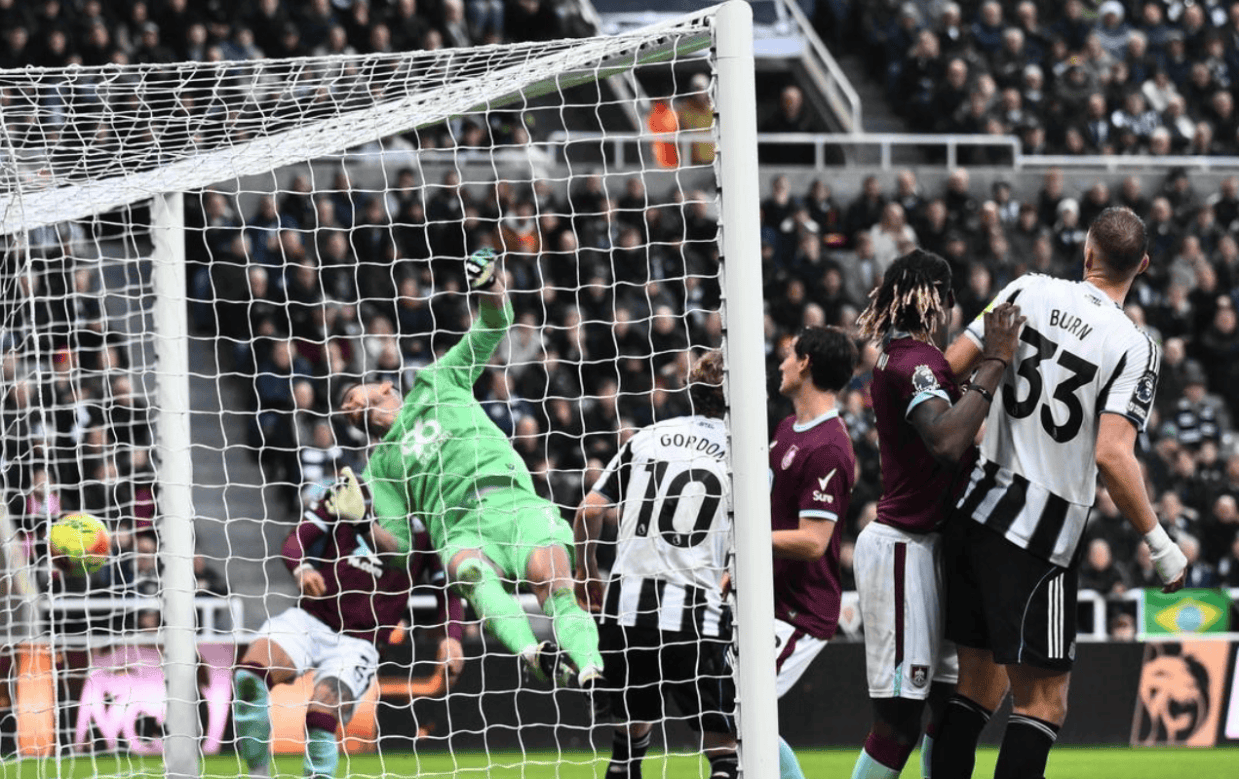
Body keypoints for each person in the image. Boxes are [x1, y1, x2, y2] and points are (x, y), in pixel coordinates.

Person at [934, 207, 1188, 779]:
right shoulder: (1134, 346)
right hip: (1038, 538)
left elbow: (950, 367)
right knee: (1043, 705)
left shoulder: (1028, 288)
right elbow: (1112, 455)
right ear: (1143, 266)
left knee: (975, 691)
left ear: (1087, 251)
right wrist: (1160, 544)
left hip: (974, 511)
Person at [338, 248, 605, 697]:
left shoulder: (436, 380)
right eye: (344, 408)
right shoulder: (379, 467)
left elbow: (493, 325)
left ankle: (589, 666)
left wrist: (490, 285)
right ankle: (532, 654)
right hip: (459, 527)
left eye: (350, 394)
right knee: (470, 574)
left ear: (383, 385)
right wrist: (362, 521)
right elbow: (401, 550)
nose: (346, 405)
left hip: (512, 501)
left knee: (556, 584)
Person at [849, 250, 1023, 779]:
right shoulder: (915, 363)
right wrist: (995, 361)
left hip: (934, 546)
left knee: (950, 708)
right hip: (904, 548)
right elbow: (947, 441)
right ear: (942, 300)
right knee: (897, 723)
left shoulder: (909, 358)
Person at [231, 469, 464, 779]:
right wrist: (301, 568)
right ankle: (257, 773)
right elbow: (297, 539)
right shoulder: (350, 491)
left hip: (359, 643)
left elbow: (446, 590)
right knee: (248, 678)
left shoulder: (432, 521)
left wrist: (452, 636)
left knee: (321, 716)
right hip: (310, 619)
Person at [573, 350, 737, 779]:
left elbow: (590, 510)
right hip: (697, 609)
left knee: (627, 746)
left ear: (691, 391)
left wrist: (586, 571)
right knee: (723, 746)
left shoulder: (647, 437)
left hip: (627, 607)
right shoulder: (743, 451)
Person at [767, 325, 859, 779]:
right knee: (726, 708)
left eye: (789, 354)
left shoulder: (829, 448)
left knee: (736, 706)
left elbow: (814, 541)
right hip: (768, 598)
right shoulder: (787, 429)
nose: (781, 363)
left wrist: (746, 541)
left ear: (805, 364)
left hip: (799, 611)